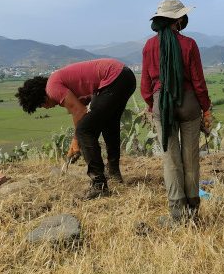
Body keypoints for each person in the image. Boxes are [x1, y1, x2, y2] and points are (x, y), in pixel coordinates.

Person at [16, 58, 136, 199]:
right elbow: (86, 107)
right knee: (108, 124)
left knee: (84, 130)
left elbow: (79, 112)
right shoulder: (56, 81)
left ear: (41, 97)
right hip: (125, 76)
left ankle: (99, 185)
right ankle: (114, 174)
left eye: (42, 105)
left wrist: (75, 141)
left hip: (114, 78)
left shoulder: (52, 88)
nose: (47, 107)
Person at [141, 0, 212, 224]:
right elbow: (198, 82)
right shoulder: (189, 44)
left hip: (163, 103)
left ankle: (176, 213)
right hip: (189, 102)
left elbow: (145, 85)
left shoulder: (149, 46)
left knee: (170, 160)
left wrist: (153, 106)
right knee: (190, 158)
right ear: (179, 19)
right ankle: (193, 210)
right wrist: (206, 109)